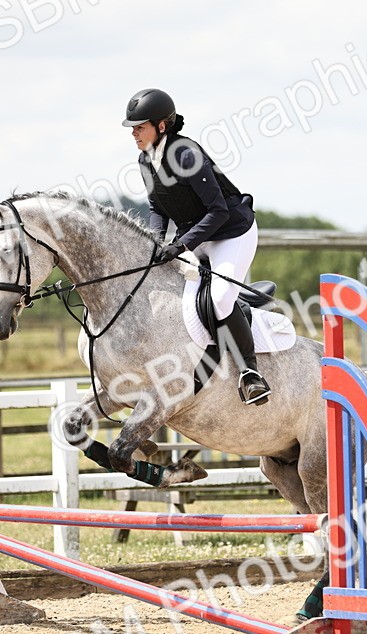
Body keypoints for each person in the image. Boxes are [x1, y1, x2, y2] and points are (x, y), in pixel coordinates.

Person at [123, 88, 271, 406]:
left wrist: (180, 246)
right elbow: (157, 208)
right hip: (198, 236)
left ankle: (251, 374)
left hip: (232, 232)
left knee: (218, 299)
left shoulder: (187, 155)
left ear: (162, 126)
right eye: (133, 128)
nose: (134, 133)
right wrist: (157, 243)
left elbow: (218, 211)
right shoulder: (145, 159)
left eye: (139, 126)